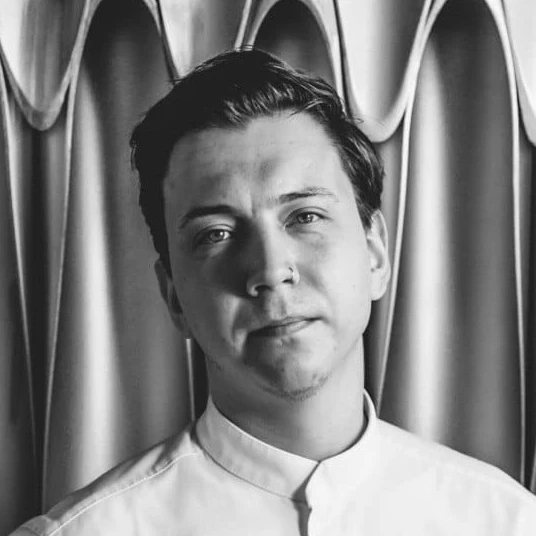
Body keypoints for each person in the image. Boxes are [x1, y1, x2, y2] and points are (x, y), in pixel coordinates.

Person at [11, 49, 536, 536]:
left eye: (305, 216)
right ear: (173, 297)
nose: (269, 270)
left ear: (375, 253)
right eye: (216, 234)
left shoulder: (506, 521)